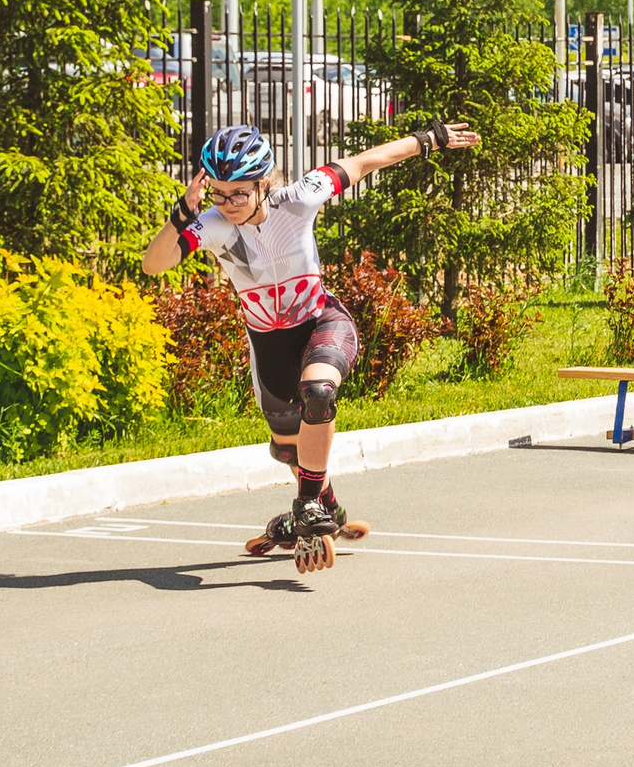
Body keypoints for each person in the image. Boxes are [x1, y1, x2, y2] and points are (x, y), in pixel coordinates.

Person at [142, 119, 481, 572]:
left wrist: (429, 140)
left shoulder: (299, 199)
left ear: (264, 183)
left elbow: (364, 162)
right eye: (218, 194)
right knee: (289, 452)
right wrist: (182, 215)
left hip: (322, 321)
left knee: (318, 394)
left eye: (238, 193)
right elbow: (153, 264)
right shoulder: (213, 225)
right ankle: (328, 507)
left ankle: (306, 505)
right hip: (270, 349)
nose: (228, 204)